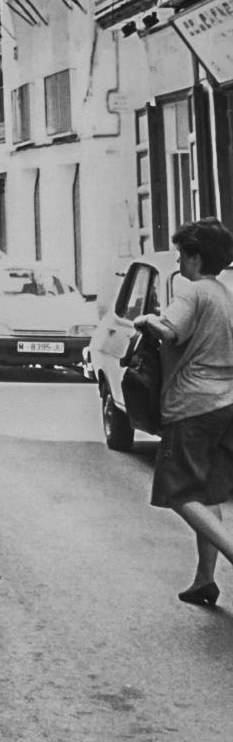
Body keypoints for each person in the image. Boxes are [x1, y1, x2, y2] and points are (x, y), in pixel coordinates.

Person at [132, 217, 233, 607]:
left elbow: (168, 331)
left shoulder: (191, 293)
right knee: (207, 495)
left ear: (195, 257)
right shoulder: (225, 294)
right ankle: (204, 579)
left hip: (191, 405)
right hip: (226, 404)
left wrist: (145, 319)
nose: (178, 261)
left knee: (178, 492)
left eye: (181, 253)